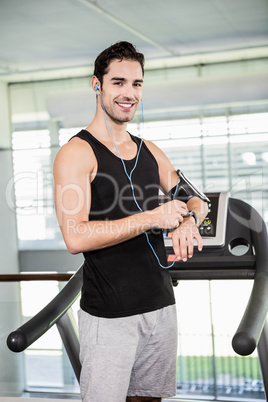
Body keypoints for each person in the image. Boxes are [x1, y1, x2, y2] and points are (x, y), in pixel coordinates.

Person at [53, 41, 208, 402]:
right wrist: (152, 217)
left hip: (160, 306)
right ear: (97, 85)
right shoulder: (76, 153)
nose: (129, 93)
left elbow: (198, 200)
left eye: (137, 84)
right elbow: (75, 237)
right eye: (118, 82)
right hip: (109, 317)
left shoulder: (150, 150)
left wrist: (188, 222)